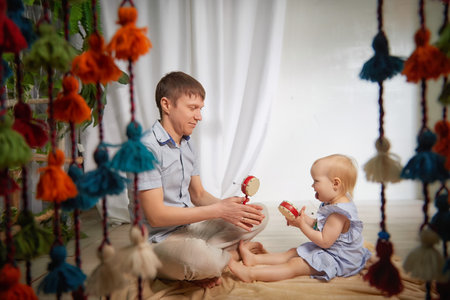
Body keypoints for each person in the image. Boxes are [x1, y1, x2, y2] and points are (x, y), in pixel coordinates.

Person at [133, 71, 268, 288]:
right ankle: (224, 260)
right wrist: (219, 211)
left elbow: (198, 194)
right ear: (166, 105)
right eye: (192, 108)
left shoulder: (186, 144)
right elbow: (156, 217)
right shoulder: (144, 150)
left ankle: (209, 263)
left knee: (259, 214)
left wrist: (231, 208)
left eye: (200, 109)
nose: (199, 116)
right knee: (196, 256)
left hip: (188, 229)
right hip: (155, 241)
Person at [228, 154, 371, 282]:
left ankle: (251, 274)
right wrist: (303, 220)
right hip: (332, 251)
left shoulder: (338, 214)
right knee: (292, 252)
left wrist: (302, 225)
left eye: (316, 181)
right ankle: (254, 259)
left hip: (338, 260)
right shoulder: (336, 201)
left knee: (295, 265)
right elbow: (322, 226)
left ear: (335, 183)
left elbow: (324, 241)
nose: (312, 185)